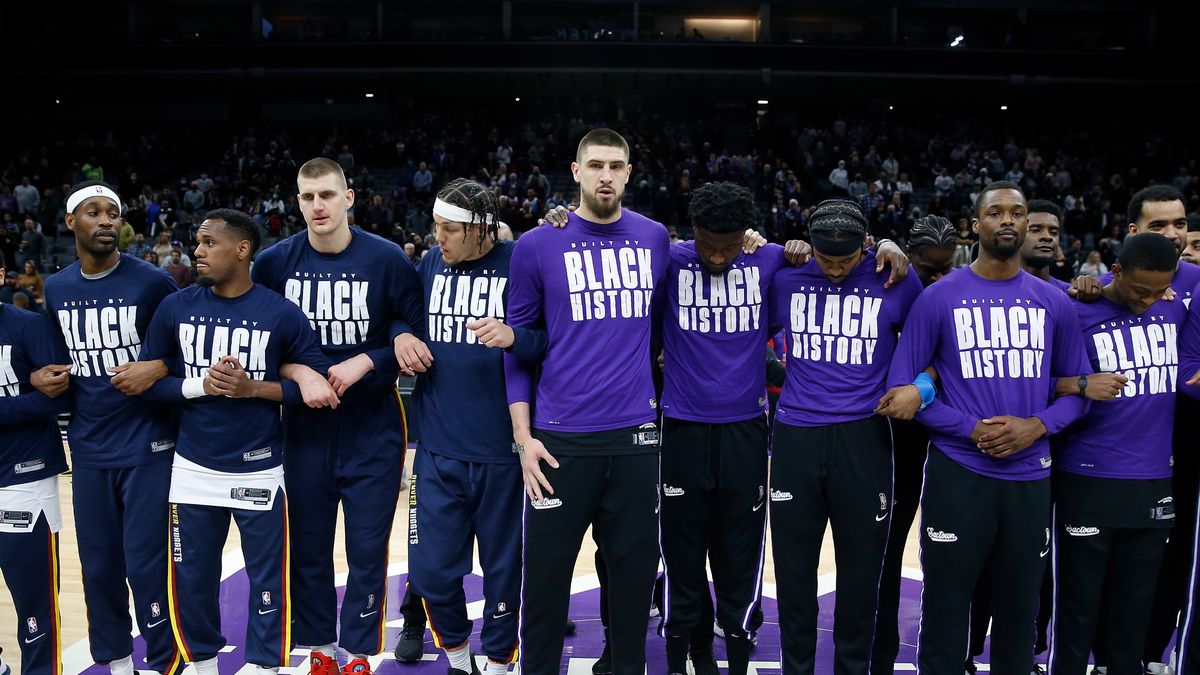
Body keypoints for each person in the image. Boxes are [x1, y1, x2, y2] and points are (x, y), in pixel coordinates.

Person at [882, 181, 1090, 674]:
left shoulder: (1053, 303)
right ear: (975, 227)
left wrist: (1034, 427)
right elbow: (901, 392)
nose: (1009, 220)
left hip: (1029, 477)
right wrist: (971, 429)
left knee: (1020, 614)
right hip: (960, 473)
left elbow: (1078, 395)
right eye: (996, 213)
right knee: (947, 610)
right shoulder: (938, 298)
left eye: (1017, 213)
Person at [139, 209, 334, 675]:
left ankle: (264, 665)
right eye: (197, 243)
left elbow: (311, 387)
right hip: (193, 466)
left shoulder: (281, 313)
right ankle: (202, 661)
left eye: (209, 244)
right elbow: (148, 382)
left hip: (259, 466)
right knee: (191, 578)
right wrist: (200, 385)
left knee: (268, 579)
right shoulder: (176, 307)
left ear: (242, 250)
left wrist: (252, 388)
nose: (198, 252)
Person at [504, 128, 669, 675]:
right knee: (545, 582)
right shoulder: (536, 245)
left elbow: (712, 257)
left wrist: (755, 239)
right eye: (595, 165)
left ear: (629, 172)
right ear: (575, 172)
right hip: (558, 442)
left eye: (616, 166)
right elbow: (518, 347)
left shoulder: (654, 238)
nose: (605, 175)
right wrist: (523, 438)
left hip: (635, 441)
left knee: (631, 581)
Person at [251, 158, 424, 675]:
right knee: (309, 545)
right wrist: (299, 373)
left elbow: (416, 333)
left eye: (326, 195)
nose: (317, 206)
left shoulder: (388, 258)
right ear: (296, 201)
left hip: (373, 421)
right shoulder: (275, 262)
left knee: (368, 547)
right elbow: (259, 340)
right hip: (303, 426)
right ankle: (322, 649)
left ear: (349, 198)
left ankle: (360, 653)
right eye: (307, 198)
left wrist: (369, 357)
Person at [767, 199, 923, 675]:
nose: (835, 269)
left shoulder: (895, 278)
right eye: (825, 258)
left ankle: (853, 668)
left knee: (861, 575)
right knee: (794, 573)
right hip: (796, 435)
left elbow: (929, 346)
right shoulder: (785, 276)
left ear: (866, 245)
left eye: (846, 259)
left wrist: (919, 388)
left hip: (865, 436)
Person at [37, 181, 185, 675]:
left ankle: (165, 661)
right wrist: (44, 375)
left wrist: (160, 367)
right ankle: (116, 661)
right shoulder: (57, 287)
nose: (105, 221)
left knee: (147, 565)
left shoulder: (152, 282)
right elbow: (54, 357)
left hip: (148, 443)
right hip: (88, 444)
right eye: (93, 212)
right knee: (99, 567)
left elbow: (186, 348)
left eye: (113, 213)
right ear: (70, 223)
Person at [405, 179, 548, 675]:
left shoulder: (521, 262)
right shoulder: (428, 265)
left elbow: (551, 342)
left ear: (482, 228)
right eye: (435, 228)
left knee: (504, 574)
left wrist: (515, 337)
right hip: (438, 450)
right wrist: (403, 336)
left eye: (448, 229)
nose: (437, 238)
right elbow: (398, 318)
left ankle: (500, 661)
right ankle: (459, 654)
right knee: (429, 572)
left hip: (504, 453)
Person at [1050, 233, 1184, 675]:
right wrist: (1079, 384)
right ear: (1117, 272)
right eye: (1138, 290)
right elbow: (1035, 381)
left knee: (1134, 612)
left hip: (1153, 480)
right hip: (1088, 476)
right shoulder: (1075, 308)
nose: (1148, 301)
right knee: (1077, 610)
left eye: (1158, 291)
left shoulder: (1174, 303)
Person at [871, 214, 958, 675]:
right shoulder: (893, 280)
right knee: (886, 546)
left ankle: (949, 654)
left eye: (947, 267)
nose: (938, 277)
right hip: (895, 439)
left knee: (949, 549)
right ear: (910, 257)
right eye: (929, 268)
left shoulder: (964, 291)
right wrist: (884, 242)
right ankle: (880, 651)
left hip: (949, 438)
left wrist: (925, 384)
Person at [0, 266, 71, 675]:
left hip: (24, 475)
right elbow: (36, 399)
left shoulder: (29, 327)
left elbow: (62, 398)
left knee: (32, 599)